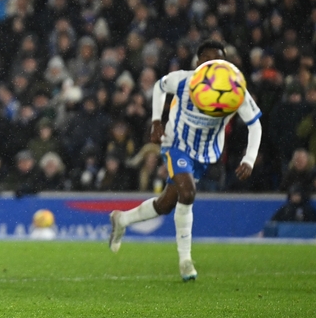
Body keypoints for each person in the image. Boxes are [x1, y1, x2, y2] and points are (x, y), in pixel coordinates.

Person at [108, 39, 262, 281]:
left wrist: (249, 158)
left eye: (219, 60)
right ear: (198, 63)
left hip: (205, 153)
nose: (213, 64)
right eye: (208, 59)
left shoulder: (233, 90)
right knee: (187, 193)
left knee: (167, 203)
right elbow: (159, 87)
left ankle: (122, 218)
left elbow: (255, 125)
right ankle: (185, 261)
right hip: (176, 144)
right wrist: (157, 120)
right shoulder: (184, 80)